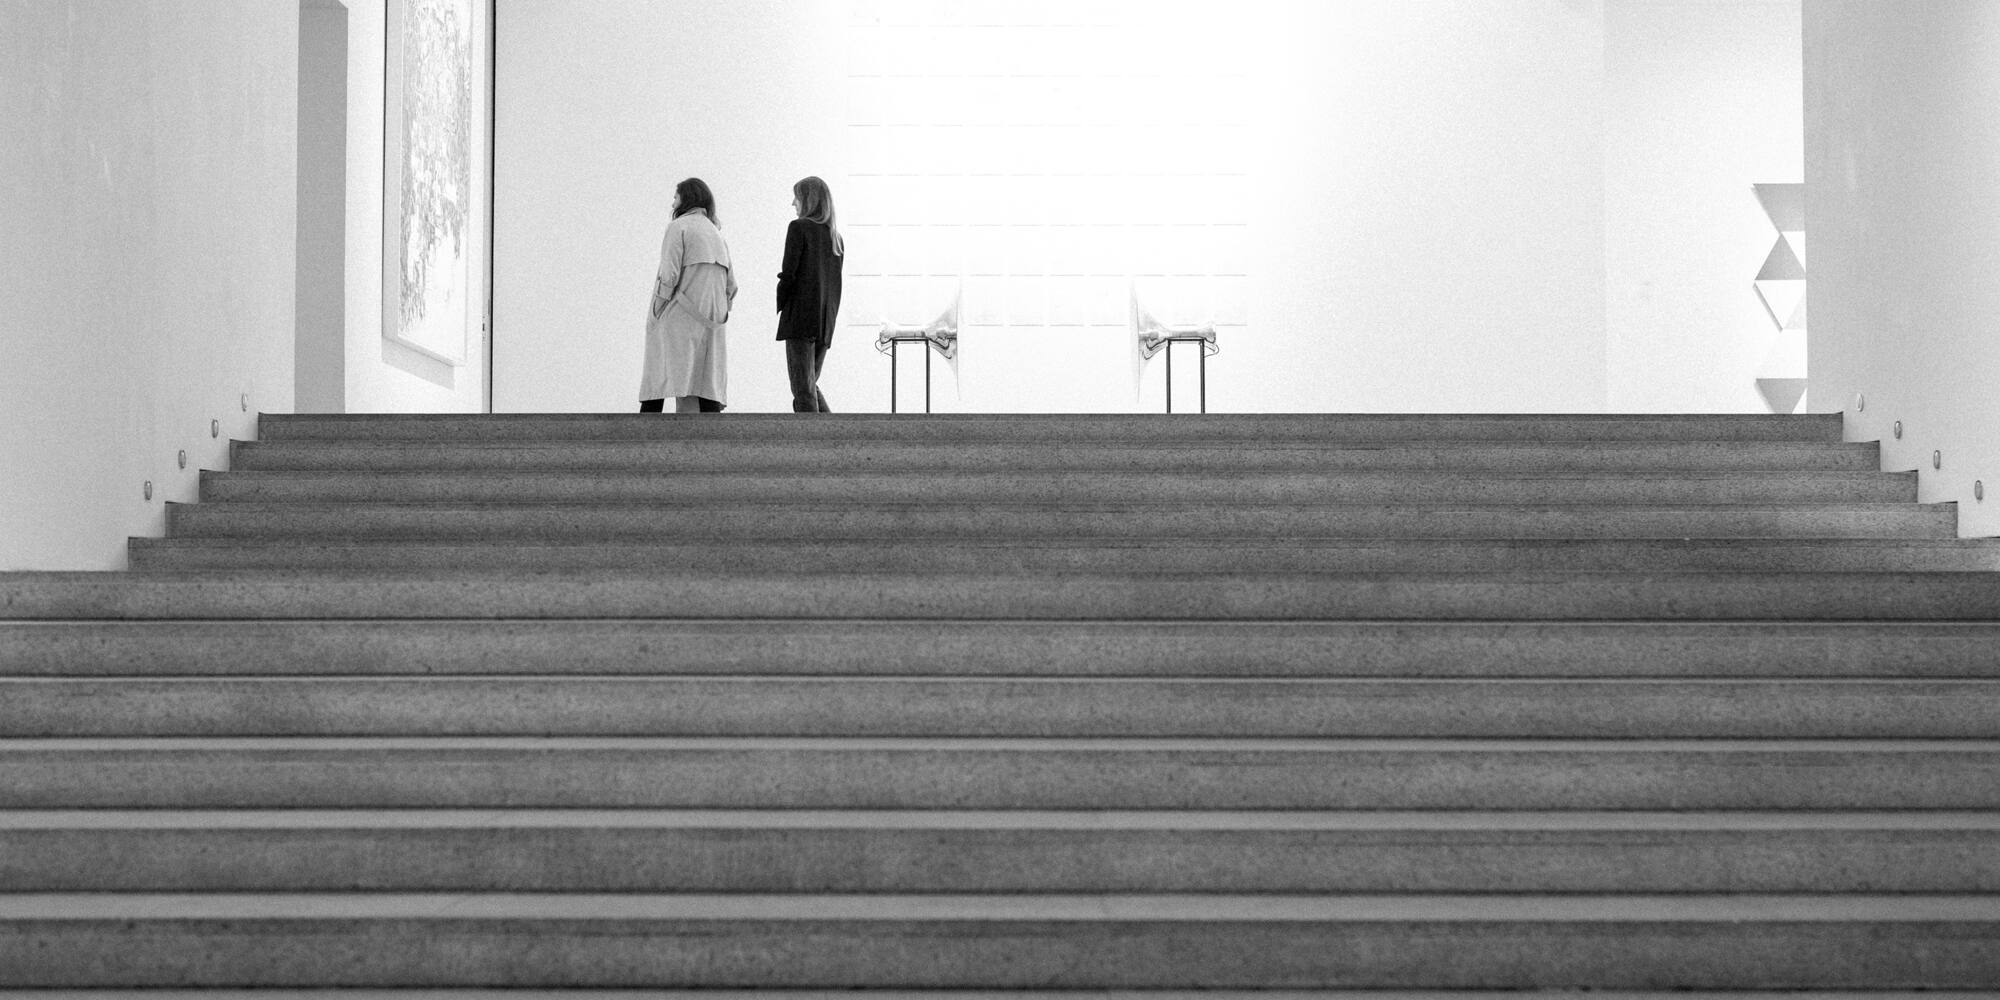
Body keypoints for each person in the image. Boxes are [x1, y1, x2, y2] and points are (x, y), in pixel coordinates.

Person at [641, 178, 736, 413]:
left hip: (679, 314)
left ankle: (644, 430)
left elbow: (669, 274)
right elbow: (732, 286)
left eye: (676, 197)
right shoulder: (716, 234)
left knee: (659, 375)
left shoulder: (678, 227)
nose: (673, 203)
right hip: (711, 320)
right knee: (705, 382)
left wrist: (656, 310)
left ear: (686, 198)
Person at [775, 175, 844, 412]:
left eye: (796, 197)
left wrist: (781, 304)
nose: (793, 203)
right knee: (809, 385)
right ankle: (834, 431)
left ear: (808, 199)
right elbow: (835, 286)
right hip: (824, 323)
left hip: (800, 319)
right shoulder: (836, 239)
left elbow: (789, 274)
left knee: (802, 390)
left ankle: (814, 436)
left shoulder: (798, 228)